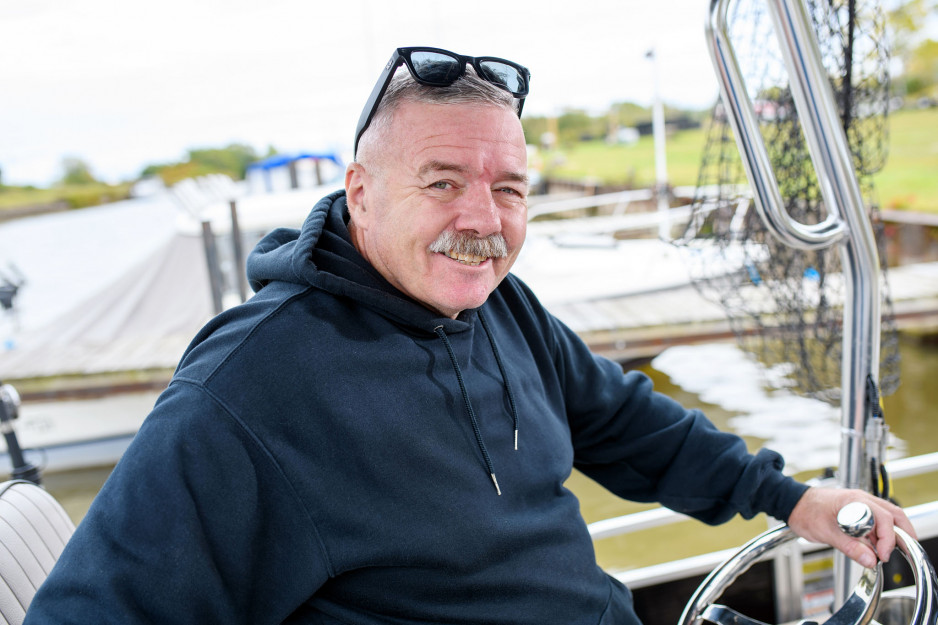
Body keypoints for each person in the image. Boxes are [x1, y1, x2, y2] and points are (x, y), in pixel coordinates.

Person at [25, 46, 913, 625]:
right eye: (443, 182)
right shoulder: (249, 386)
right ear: (360, 192)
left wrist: (791, 497)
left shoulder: (501, 308)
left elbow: (627, 424)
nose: (482, 219)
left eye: (510, 188)